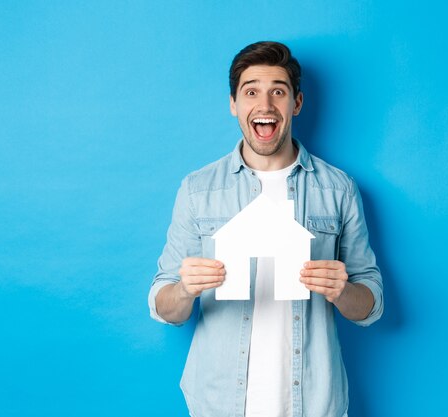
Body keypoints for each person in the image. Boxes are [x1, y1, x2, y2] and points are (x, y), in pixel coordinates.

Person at [148, 41, 383, 417]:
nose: (265, 104)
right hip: (218, 403)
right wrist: (184, 289)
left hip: (313, 403)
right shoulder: (197, 190)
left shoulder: (339, 189)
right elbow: (163, 305)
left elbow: (370, 304)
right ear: (233, 104)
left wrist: (344, 291)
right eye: (251, 91)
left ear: (297, 103)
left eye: (278, 91)